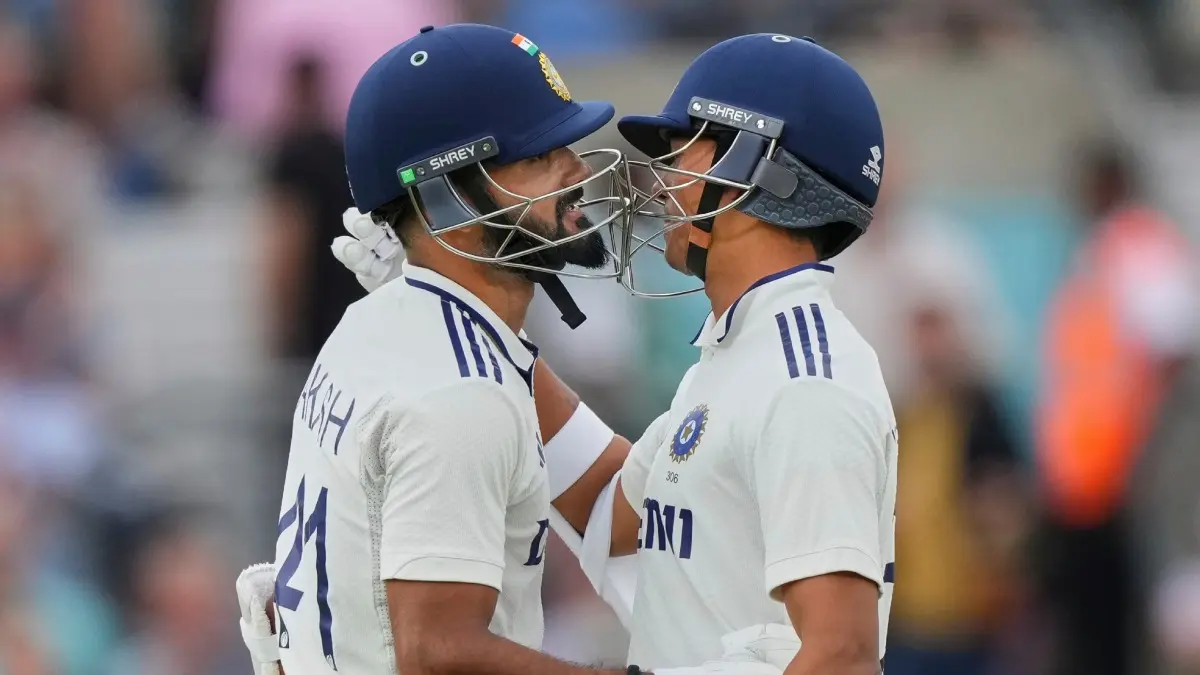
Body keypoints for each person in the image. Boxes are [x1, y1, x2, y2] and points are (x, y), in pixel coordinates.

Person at [326, 33, 897, 675]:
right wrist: (472, 312)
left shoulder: (803, 383)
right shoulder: (740, 352)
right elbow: (609, 513)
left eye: (682, 151)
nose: (660, 178)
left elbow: (842, 657)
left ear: (755, 171)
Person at [238, 23, 642, 675]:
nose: (575, 170)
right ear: (449, 195)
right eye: (540, 155)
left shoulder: (378, 325)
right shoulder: (461, 389)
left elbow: (606, 496)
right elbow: (439, 654)